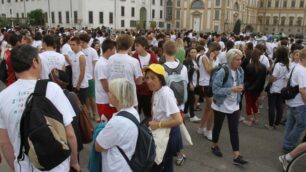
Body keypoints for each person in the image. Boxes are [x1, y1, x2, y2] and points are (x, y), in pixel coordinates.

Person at [0, 45, 80, 172]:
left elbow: (4, 142)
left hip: (23, 166)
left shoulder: (3, 97)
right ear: (34, 62)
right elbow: (69, 134)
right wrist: (74, 161)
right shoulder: (52, 89)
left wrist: (15, 168)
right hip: (57, 166)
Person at [210, 49, 248, 165]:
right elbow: (215, 90)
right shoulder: (223, 71)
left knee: (234, 130)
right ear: (231, 60)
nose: (239, 62)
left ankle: (236, 155)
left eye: (240, 59)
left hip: (234, 104)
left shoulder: (240, 70)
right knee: (218, 126)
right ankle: (214, 145)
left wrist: (241, 87)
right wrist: (231, 89)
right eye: (237, 59)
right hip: (221, 104)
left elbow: (240, 84)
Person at [144, 64, 183, 172]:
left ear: (161, 79)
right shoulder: (157, 91)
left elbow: (178, 119)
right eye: (147, 78)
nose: (149, 81)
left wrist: (158, 124)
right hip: (162, 133)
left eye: (153, 78)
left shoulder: (165, 93)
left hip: (167, 134)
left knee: (159, 164)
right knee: (166, 163)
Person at [95, 78, 140, 172]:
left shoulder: (117, 122)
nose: (108, 94)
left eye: (111, 92)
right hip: (128, 163)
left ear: (118, 96)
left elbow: (98, 147)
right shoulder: (133, 112)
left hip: (116, 167)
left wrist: (101, 128)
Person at [107, 34, 143, 106]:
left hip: (115, 97)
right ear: (130, 46)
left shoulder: (110, 59)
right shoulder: (134, 61)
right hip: (129, 98)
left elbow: (109, 76)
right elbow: (139, 82)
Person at [283, 47, 306, 153]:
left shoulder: (295, 66)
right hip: (299, 102)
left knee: (291, 123)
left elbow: (287, 78)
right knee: (302, 124)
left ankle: (286, 143)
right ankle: (289, 144)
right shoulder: (302, 70)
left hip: (292, 101)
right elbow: (302, 90)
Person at [198, 42, 221, 140]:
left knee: (208, 108)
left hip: (213, 84)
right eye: (216, 50)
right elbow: (209, 70)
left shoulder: (217, 58)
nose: (218, 52)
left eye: (218, 50)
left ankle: (201, 127)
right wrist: (211, 59)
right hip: (206, 84)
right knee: (212, 108)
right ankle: (208, 130)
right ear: (212, 50)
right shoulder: (204, 58)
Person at [133, 36, 158, 123]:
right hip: (137, 91)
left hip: (149, 91)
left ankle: (146, 131)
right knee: (135, 114)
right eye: (135, 46)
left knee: (149, 114)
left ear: (144, 46)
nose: (135, 48)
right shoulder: (134, 57)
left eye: (137, 46)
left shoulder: (153, 57)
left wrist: (155, 93)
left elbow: (157, 75)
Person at [266, 47, 289, 129]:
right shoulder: (287, 64)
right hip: (282, 87)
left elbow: (274, 77)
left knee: (272, 106)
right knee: (279, 106)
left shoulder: (278, 64)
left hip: (275, 87)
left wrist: (270, 81)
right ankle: (277, 123)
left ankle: (271, 124)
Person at [243, 48, 267, 126]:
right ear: (259, 57)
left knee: (249, 104)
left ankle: (249, 120)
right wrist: (261, 90)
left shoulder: (249, 67)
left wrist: (245, 87)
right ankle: (256, 119)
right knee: (254, 103)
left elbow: (245, 80)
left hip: (249, 89)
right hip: (258, 89)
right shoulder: (263, 67)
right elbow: (263, 80)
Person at [95, 39, 117, 121]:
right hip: (104, 99)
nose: (115, 51)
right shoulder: (102, 64)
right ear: (109, 50)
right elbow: (104, 82)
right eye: (114, 49)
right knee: (106, 123)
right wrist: (110, 95)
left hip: (107, 98)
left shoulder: (106, 62)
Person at [79, 33, 99, 121]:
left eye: (81, 42)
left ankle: (95, 113)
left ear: (84, 42)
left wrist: (95, 77)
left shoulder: (92, 51)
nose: (80, 43)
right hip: (82, 77)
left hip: (90, 78)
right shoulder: (79, 51)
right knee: (85, 97)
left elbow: (95, 65)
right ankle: (88, 113)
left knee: (91, 97)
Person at [68, 36, 88, 105]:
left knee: (82, 105)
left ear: (78, 45)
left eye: (73, 45)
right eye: (70, 45)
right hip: (75, 83)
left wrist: (78, 84)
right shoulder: (73, 54)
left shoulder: (81, 56)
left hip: (81, 85)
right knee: (77, 104)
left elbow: (82, 72)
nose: (71, 46)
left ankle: (87, 116)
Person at [183, 47, 201, 122]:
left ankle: (185, 112)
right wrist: (190, 83)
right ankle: (192, 115)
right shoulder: (187, 61)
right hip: (189, 82)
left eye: (195, 52)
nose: (194, 53)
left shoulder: (195, 60)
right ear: (189, 53)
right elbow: (186, 73)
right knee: (192, 99)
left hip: (194, 82)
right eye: (192, 52)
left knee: (189, 99)